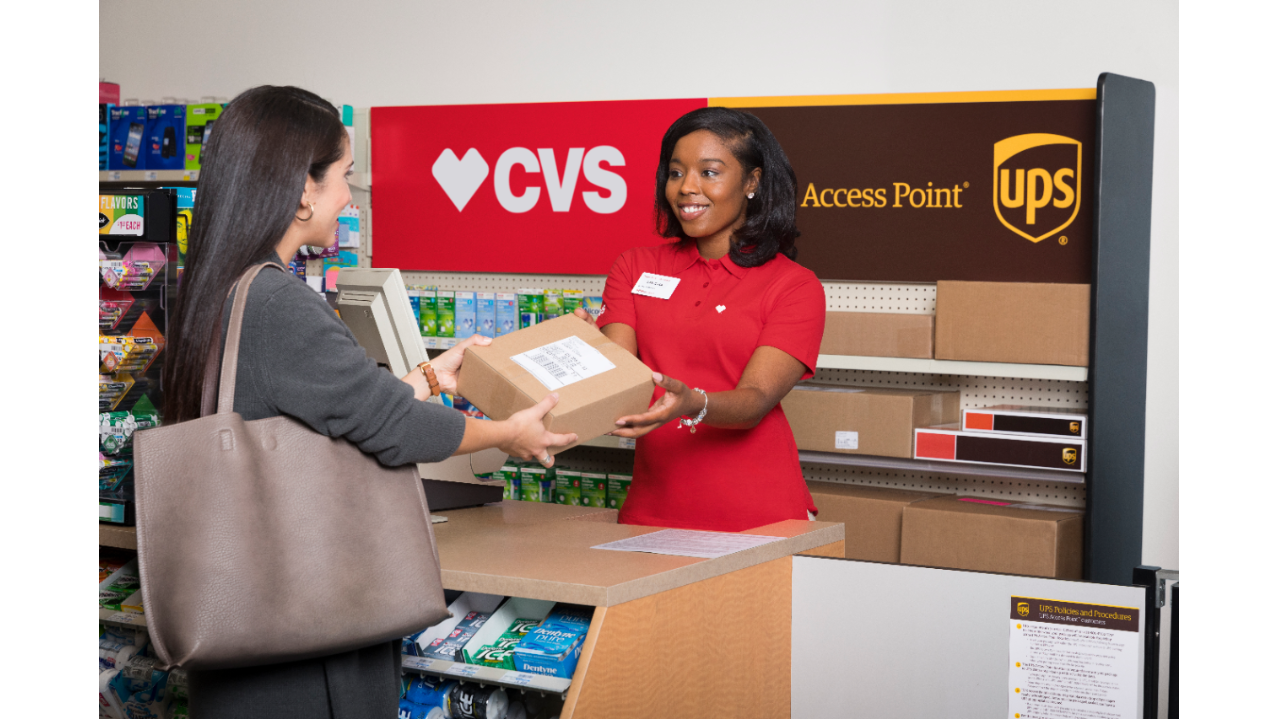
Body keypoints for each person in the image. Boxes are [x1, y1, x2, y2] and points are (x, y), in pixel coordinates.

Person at [164, 86, 575, 719]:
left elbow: (333, 408)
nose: (349, 199)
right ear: (303, 189)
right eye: (344, 177)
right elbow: (392, 428)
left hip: (244, 624)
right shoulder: (279, 304)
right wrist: (507, 434)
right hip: (306, 633)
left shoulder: (217, 288)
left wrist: (431, 377)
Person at [574, 107, 826, 533]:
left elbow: (754, 401)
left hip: (759, 517)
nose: (687, 188)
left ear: (752, 182)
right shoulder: (634, 268)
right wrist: (585, 351)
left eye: (709, 172)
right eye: (676, 173)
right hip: (651, 511)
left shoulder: (793, 286)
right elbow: (620, 386)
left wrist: (693, 402)